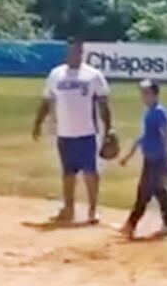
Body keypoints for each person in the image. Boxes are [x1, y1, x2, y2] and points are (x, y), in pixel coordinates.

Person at [33, 38, 112, 224]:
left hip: (87, 132)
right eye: (71, 51)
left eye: (77, 51)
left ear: (82, 53)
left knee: (90, 172)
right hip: (64, 133)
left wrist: (109, 128)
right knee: (68, 173)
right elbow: (46, 100)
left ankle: (92, 210)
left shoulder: (93, 75)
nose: (74, 54)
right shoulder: (56, 74)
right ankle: (69, 209)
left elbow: (103, 104)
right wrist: (38, 123)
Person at [118, 79, 167, 239]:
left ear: (155, 94)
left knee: (144, 192)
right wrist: (128, 155)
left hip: (157, 159)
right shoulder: (150, 112)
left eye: (146, 93)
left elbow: (165, 132)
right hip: (151, 158)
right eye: (143, 93)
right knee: (159, 191)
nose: (143, 97)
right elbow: (144, 137)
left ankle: (130, 225)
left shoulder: (158, 112)